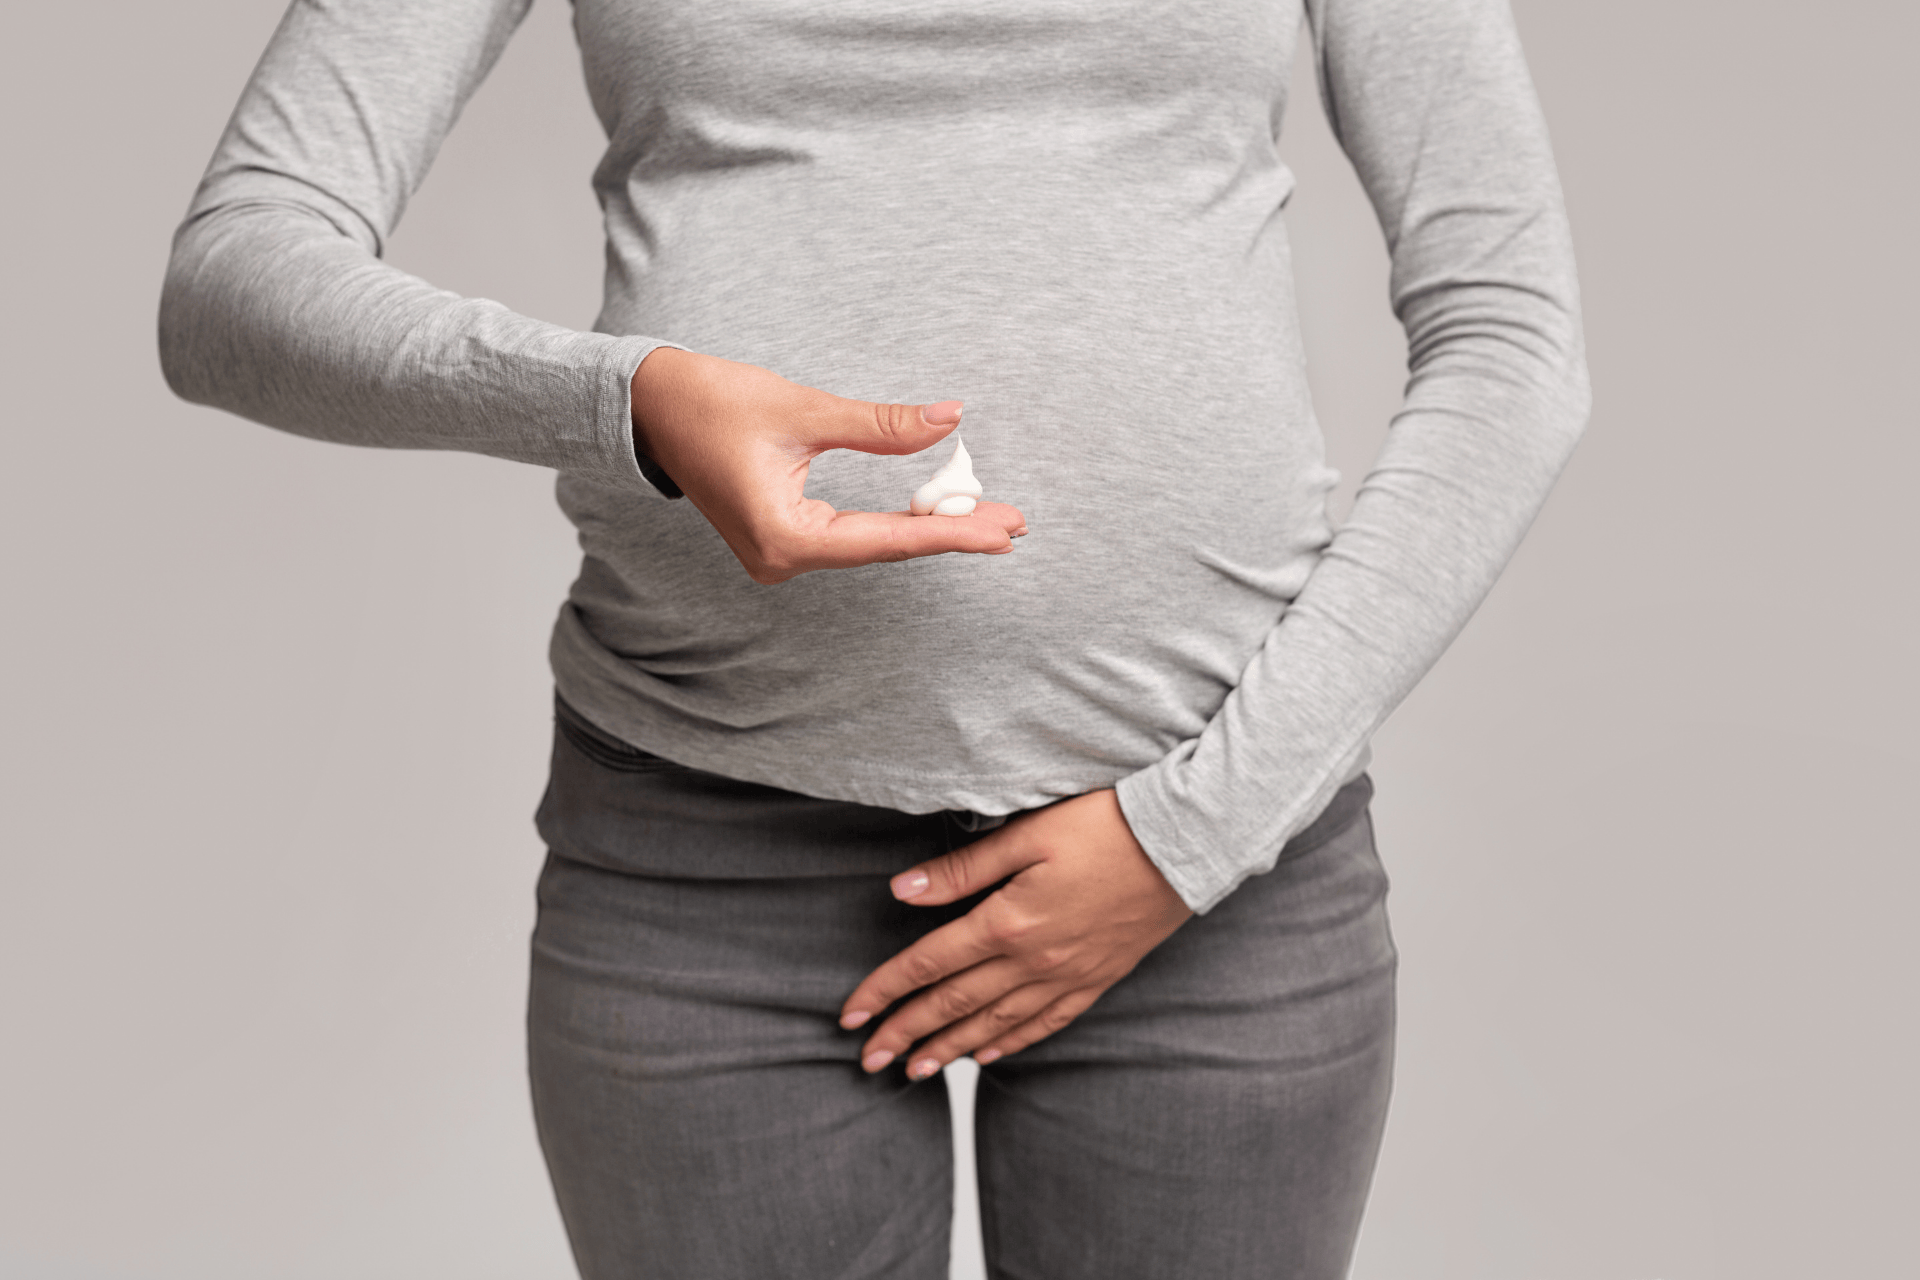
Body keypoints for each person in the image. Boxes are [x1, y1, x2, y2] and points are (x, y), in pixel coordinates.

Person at [160, 0, 1589, 1275]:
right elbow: (235, 277)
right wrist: (627, 401)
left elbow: (1513, 342)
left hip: (1218, 857)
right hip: (703, 854)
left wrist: (1192, 832)